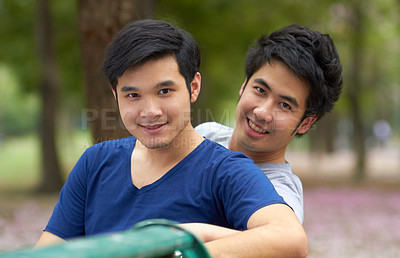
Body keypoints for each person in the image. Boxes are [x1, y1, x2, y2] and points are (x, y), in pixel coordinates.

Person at [35, 19, 307, 257]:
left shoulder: (227, 170)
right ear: (114, 94)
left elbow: (291, 240)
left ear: (193, 87)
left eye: (164, 91)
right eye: (133, 95)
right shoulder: (95, 162)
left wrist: (183, 245)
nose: (150, 111)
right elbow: (48, 252)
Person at [195, 24, 343, 223]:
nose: (263, 113)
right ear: (244, 85)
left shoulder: (279, 198)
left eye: (284, 105)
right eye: (260, 90)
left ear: (305, 123)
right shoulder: (206, 135)